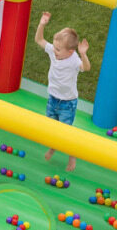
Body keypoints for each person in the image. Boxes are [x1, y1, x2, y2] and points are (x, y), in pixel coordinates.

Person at [34, 12, 90, 171]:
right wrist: (42, 24)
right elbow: (39, 40)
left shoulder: (74, 60)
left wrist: (83, 54)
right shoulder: (54, 51)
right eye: (54, 47)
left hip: (67, 103)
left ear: (70, 51)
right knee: (52, 129)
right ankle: (53, 147)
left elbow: (86, 68)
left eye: (58, 49)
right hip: (52, 99)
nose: (54, 51)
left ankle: (72, 156)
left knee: (65, 133)